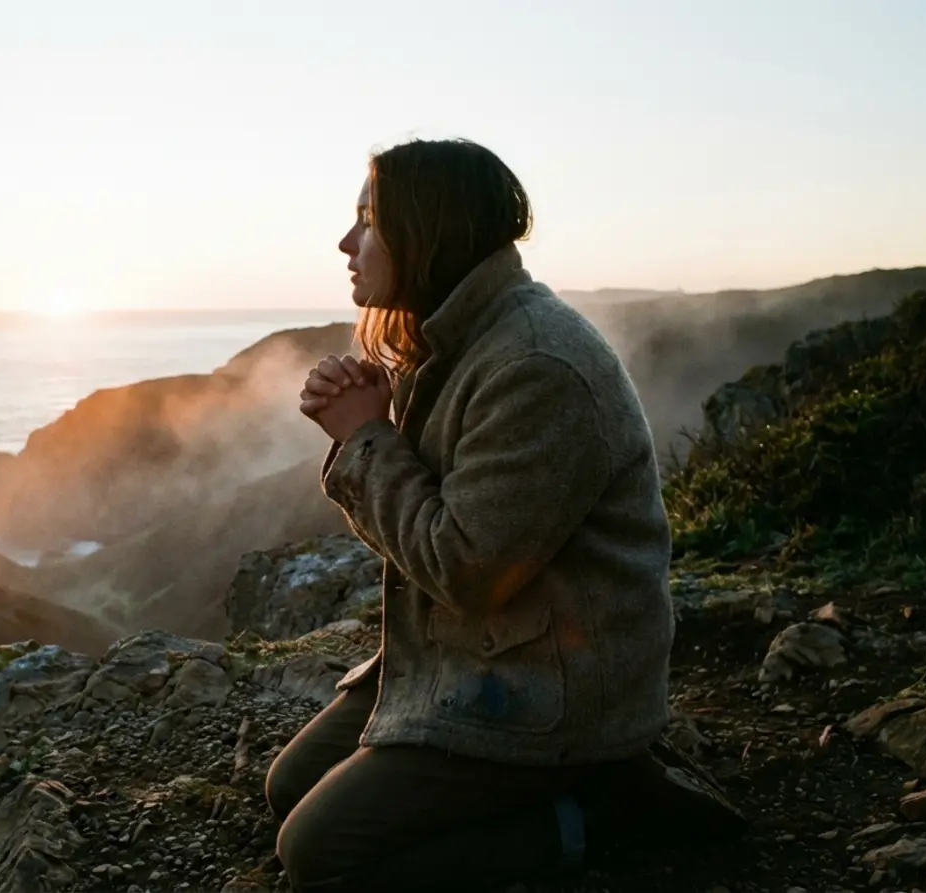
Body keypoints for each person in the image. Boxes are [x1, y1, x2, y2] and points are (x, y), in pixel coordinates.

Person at [266, 137, 679, 892]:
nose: (346, 242)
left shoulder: (534, 366)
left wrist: (366, 439)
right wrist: (372, 426)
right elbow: (433, 525)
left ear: (429, 232)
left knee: (320, 855)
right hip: (478, 654)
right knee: (287, 787)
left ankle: (596, 812)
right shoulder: (453, 341)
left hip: (551, 689)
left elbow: (466, 568)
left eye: (368, 221)